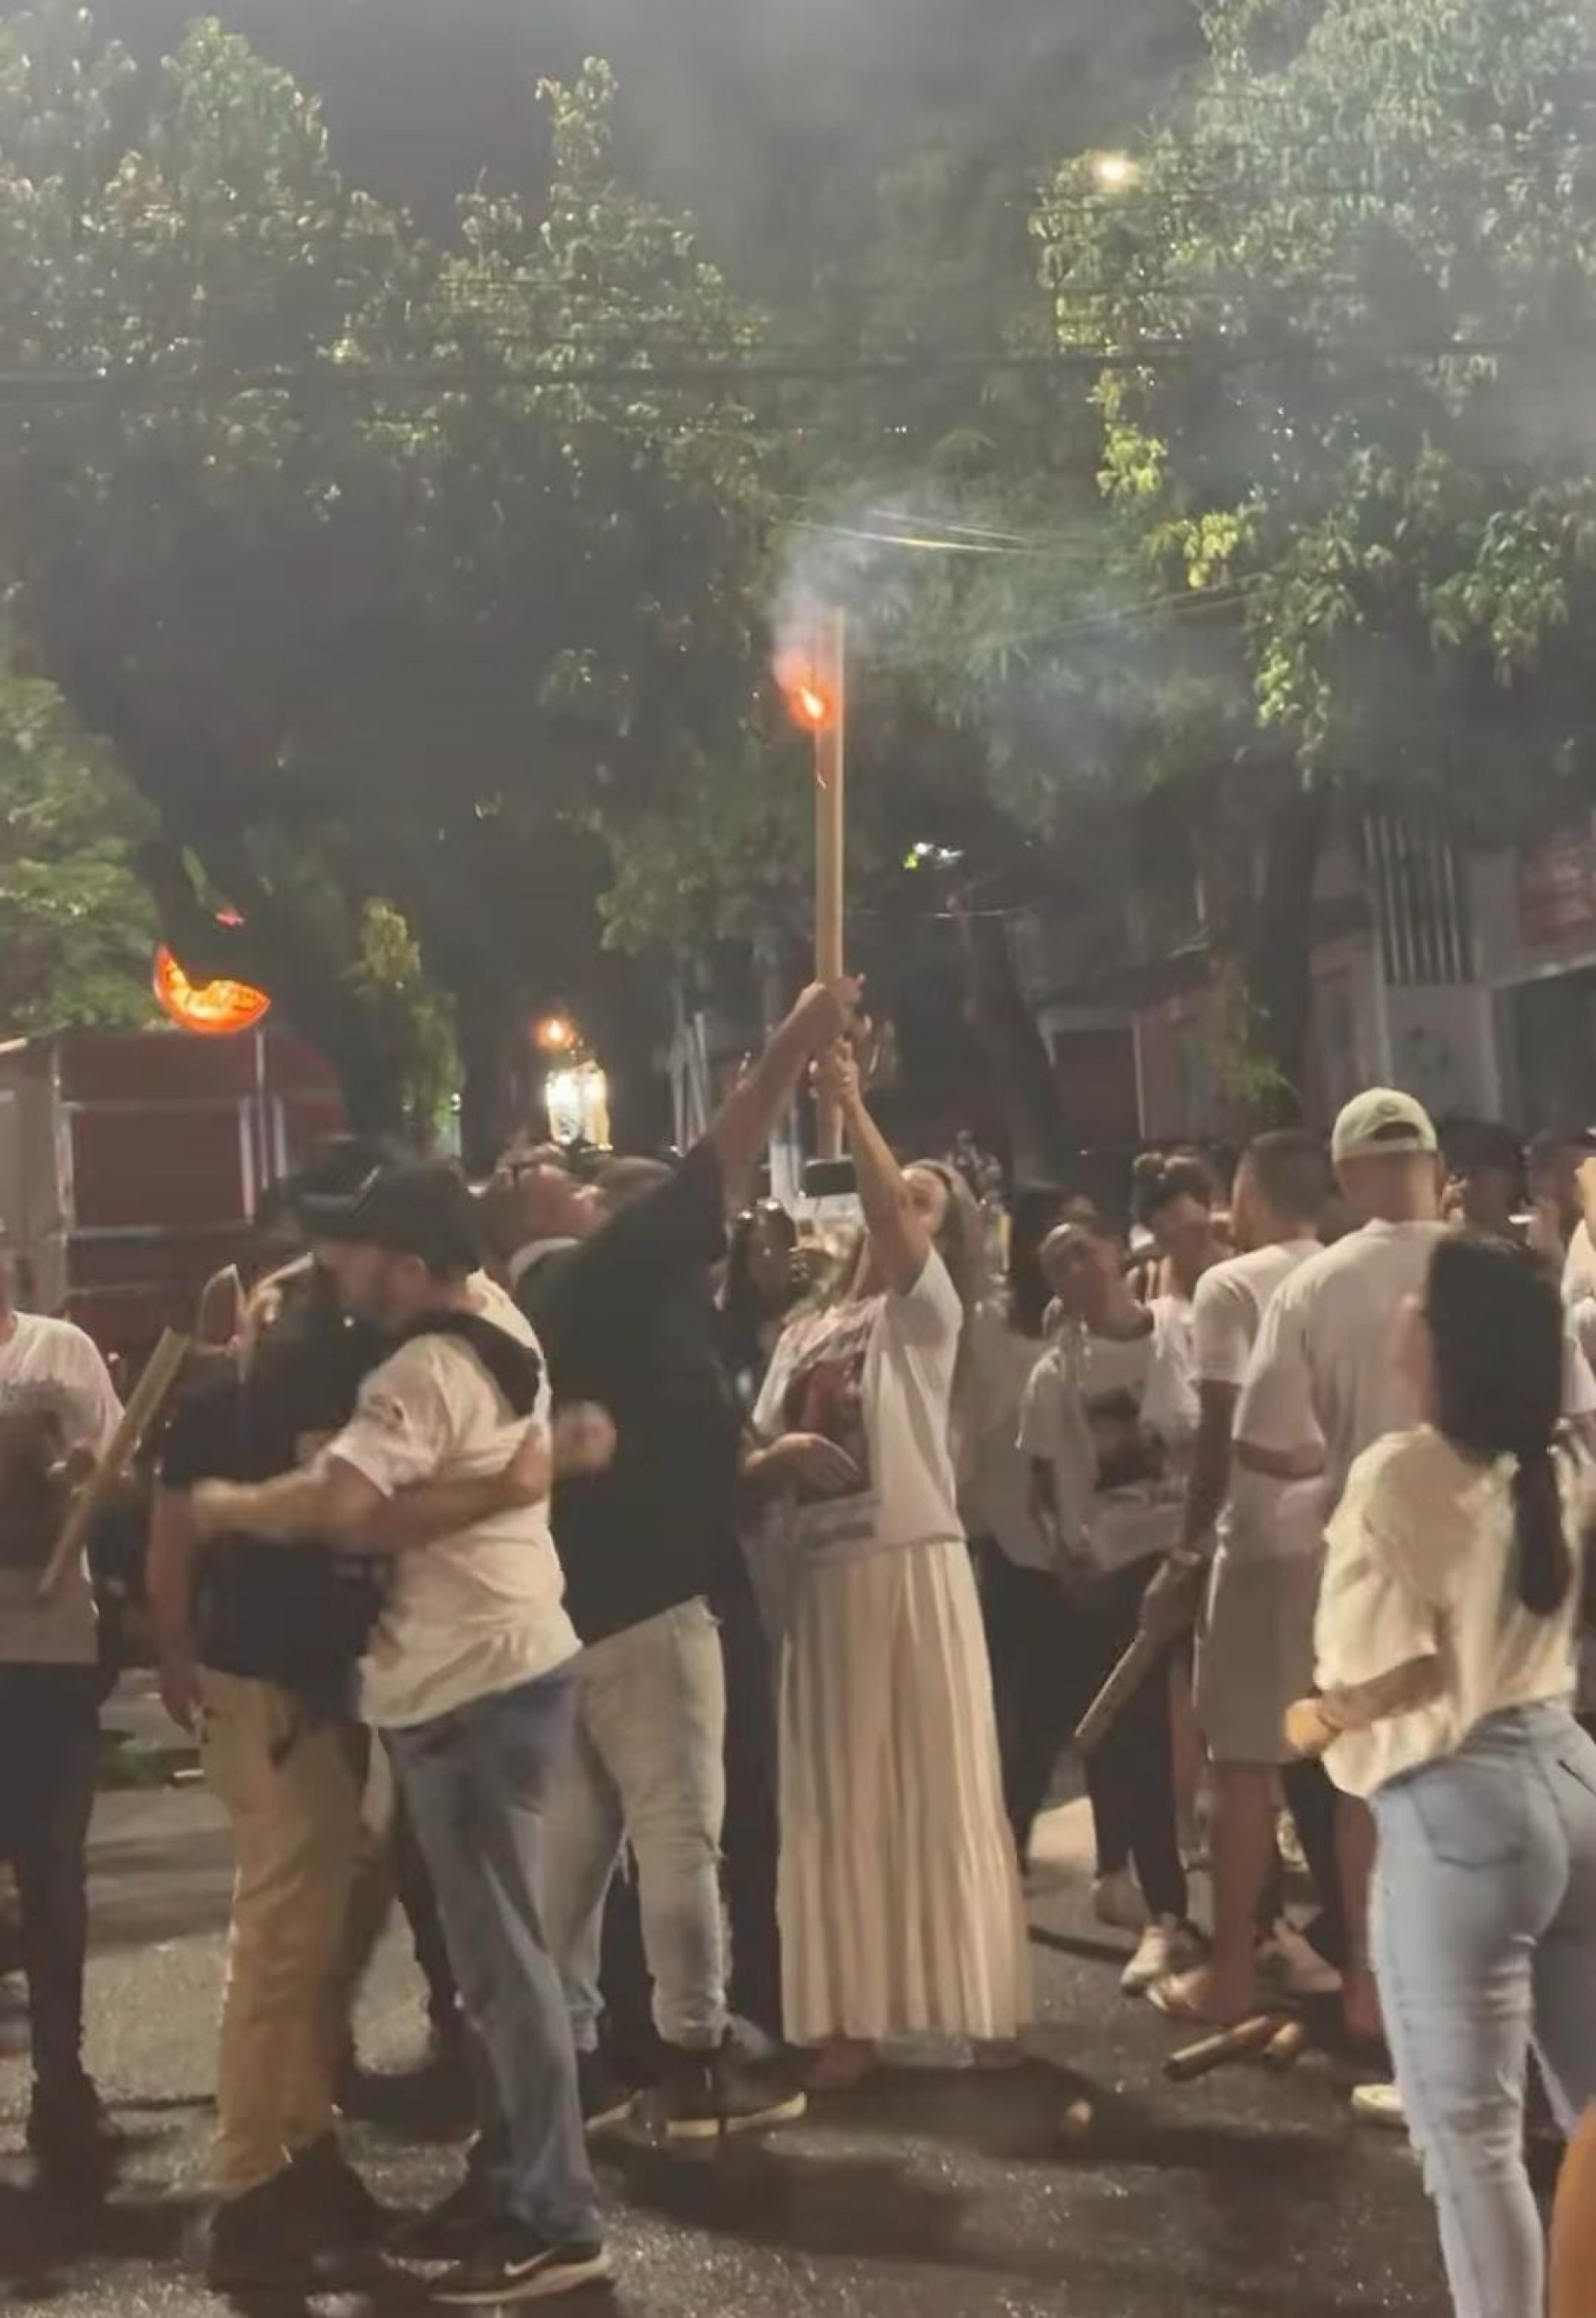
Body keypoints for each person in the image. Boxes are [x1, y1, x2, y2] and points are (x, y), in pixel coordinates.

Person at [189, 1162, 613, 2308]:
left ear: (410, 1267)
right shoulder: (494, 1319)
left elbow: (340, 1505)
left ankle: (554, 2215)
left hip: (466, 1685)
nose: (330, 1267)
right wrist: (518, 1481)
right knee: (494, 1962)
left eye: (351, 1250)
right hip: (501, 1667)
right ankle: (510, 2175)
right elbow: (426, 1489)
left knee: (505, 1968)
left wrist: (228, 1504)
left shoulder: (422, 1370)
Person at [510, 980, 858, 2140]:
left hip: (584, 1610)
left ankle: (551, 2060)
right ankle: (695, 2060)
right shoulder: (601, 1281)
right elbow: (722, 1152)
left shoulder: (578, 1314)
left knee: (577, 1847)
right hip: (648, 1607)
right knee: (675, 1837)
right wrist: (798, 1043)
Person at [1288, 1233, 1596, 2318]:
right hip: (1571, 1774)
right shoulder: (1562, 1462)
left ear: (1455, 1346)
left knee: (1471, 2144)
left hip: (1467, 1811)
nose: (1401, 1323)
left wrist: (1331, 1721)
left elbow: (1365, 1671)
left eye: (1419, 1308)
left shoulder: (1399, 1473)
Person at [744, 1046, 1027, 2090]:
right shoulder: (807, 1328)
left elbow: (898, 1229)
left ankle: (977, 1998)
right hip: (821, 1576)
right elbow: (756, 1438)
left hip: (912, 1563)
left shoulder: (927, 1312)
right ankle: (846, 2016)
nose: (897, 1207)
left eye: (921, 1201)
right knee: (836, 1797)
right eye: (893, 1192)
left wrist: (854, 1109)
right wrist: (770, 1460)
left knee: (938, 1787)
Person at [1139, 1129, 1344, 2025]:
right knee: (1348, 1762)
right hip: (1348, 1538)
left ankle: (1231, 1969)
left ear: (1251, 1194)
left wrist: (1187, 1552)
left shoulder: (1231, 1285)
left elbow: (1218, 1432)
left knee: (1244, 1764)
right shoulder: (1348, 1269)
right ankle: (1365, 1965)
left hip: (1261, 1542)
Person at [1019, 1211, 1201, 1991]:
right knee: (1134, 1742)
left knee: (1228, 1733)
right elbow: (1038, 1478)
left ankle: (1260, 1921)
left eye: (1082, 1251)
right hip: (1118, 1566)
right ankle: (1165, 1911)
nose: (1074, 1271)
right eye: (1057, 1264)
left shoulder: (1184, 1333)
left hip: (1198, 1551)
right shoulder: (1055, 1373)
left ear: (1119, 1254)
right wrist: (1061, 1550)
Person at [0, 1244, 123, 2191]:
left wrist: (89, 1473)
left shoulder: (64, 1354)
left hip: (53, 1650)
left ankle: (60, 2077)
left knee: (54, 1874)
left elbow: (115, 1478)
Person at [962, 1187, 1071, 1872]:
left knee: (1041, 1700)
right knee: (1004, 1692)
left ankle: (1014, 1819)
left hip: (1063, 1529)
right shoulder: (988, 1323)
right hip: (1000, 1526)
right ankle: (999, 1826)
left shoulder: (1080, 1324)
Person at [1440, 1117, 1525, 1240]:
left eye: (1477, 1176)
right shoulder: (1448, 1245)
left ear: (1510, 1181)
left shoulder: (1537, 1248)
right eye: (1460, 1177)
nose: (1463, 1188)